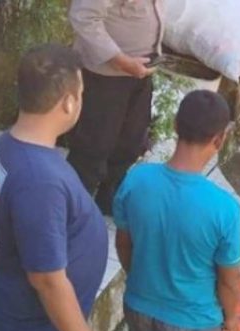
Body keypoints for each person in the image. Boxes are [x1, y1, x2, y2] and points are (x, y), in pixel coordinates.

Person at [0, 44, 110, 331]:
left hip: (45, 328)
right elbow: (47, 280)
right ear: (68, 102)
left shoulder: (8, 144)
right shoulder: (39, 181)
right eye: (81, 93)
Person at [113, 90, 240, 331]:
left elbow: (124, 244)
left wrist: (141, 279)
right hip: (195, 324)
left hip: (139, 308)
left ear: (175, 125)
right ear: (219, 139)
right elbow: (229, 281)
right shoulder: (225, 209)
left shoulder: (136, 179)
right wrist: (232, 318)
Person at [68, 0, 163, 215]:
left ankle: (109, 196)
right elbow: (84, 16)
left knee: (130, 140)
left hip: (139, 72)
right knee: (92, 146)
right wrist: (119, 60)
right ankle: (72, 208)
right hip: (106, 76)